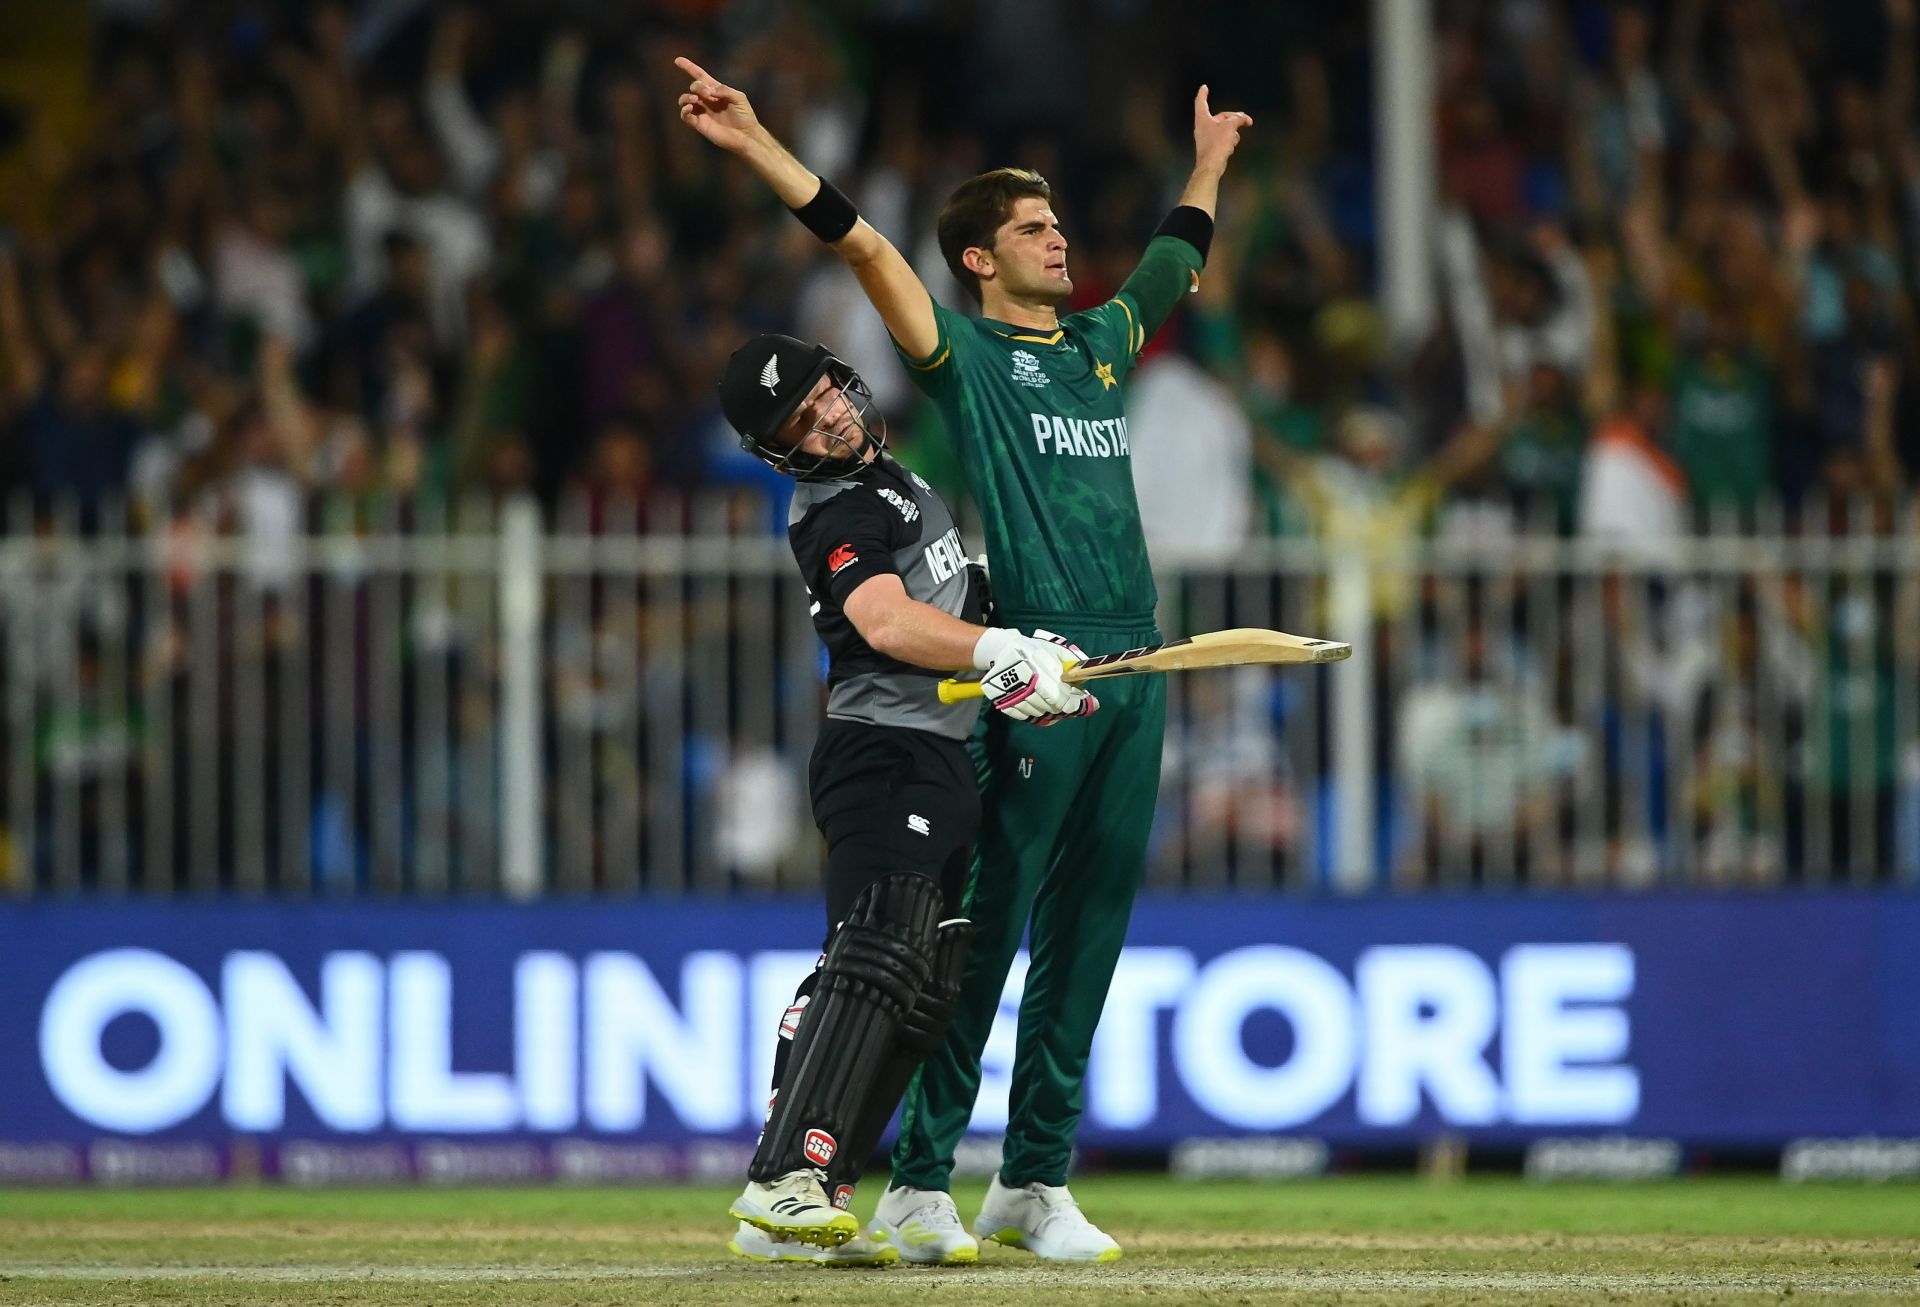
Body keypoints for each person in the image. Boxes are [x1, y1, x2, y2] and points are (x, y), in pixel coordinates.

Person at [677, 56, 1250, 1262]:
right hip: (1034, 666)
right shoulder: (964, 362)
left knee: (1092, 929)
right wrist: (761, 145)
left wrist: (1204, 170)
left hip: (1137, 664)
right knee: (978, 933)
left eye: (1055, 220)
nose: (1059, 238)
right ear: (981, 258)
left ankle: (1035, 1179)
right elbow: (867, 250)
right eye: (1033, 226)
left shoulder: (1100, 343)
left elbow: (1174, 263)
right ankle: (920, 1176)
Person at [714, 332, 1097, 1266]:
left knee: (922, 988)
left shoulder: (895, 481)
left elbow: (942, 620)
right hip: (880, 758)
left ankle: (827, 1189)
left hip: (935, 756)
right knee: (876, 954)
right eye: (800, 420)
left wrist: (1017, 655)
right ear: (780, 452)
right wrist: (993, 652)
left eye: (825, 394)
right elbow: (883, 620)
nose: (829, 417)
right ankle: (781, 1181)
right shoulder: (835, 507)